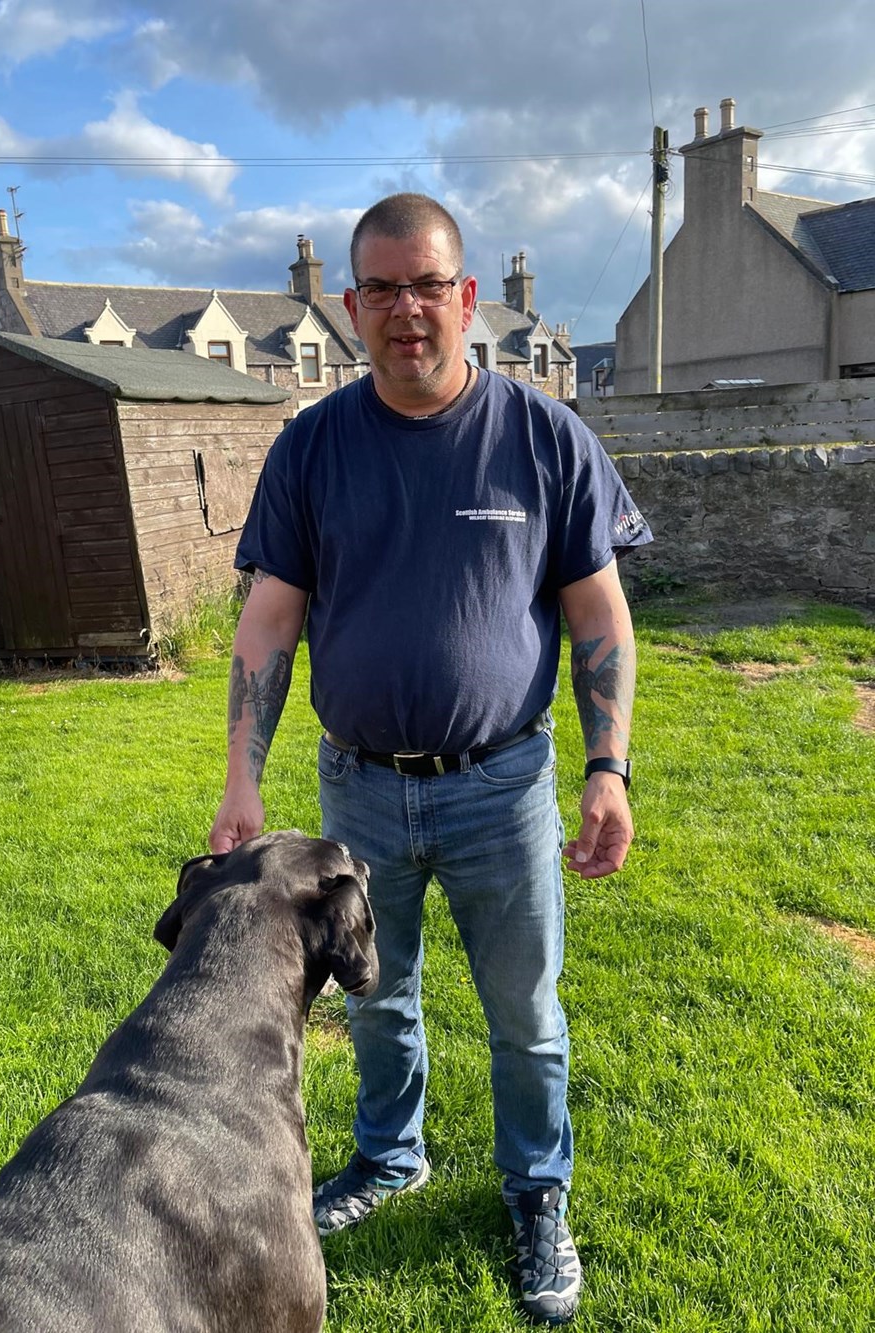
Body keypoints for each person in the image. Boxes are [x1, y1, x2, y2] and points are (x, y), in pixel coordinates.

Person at [210, 193, 651, 1327]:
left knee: (525, 1012)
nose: (407, 310)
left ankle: (535, 1189)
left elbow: (597, 613)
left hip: (500, 786)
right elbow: (268, 621)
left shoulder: (546, 436)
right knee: (374, 996)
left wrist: (609, 769)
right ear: (351, 305)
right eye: (382, 289)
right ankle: (388, 1155)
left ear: (468, 299)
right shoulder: (311, 446)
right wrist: (241, 782)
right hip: (358, 784)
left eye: (427, 285)